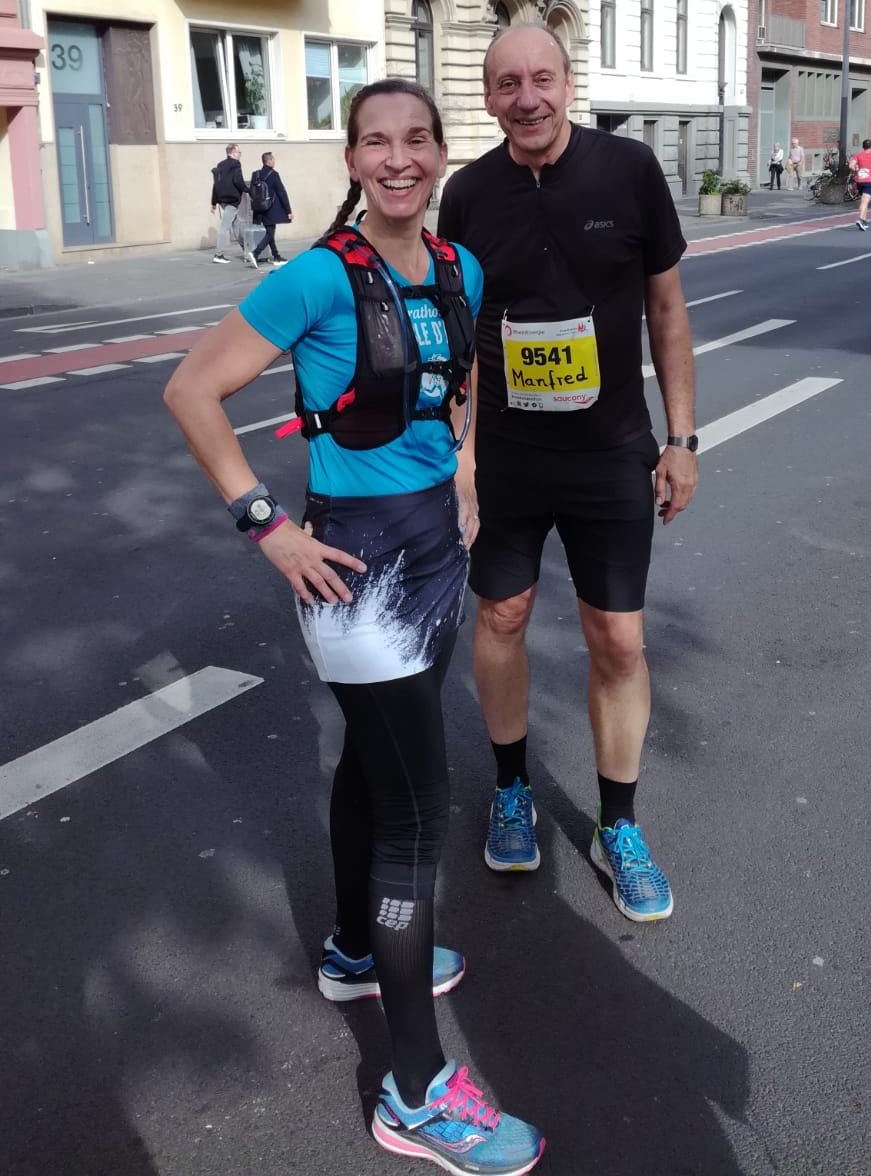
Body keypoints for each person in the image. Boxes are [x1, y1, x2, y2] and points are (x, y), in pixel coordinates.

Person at [164, 79, 545, 1176]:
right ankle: (415, 1093)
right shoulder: (319, 275)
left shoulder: (459, 266)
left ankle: (350, 952)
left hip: (434, 551)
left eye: (416, 140)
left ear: (439, 153)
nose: (398, 159)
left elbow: (460, 385)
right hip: (354, 572)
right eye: (376, 142)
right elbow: (191, 391)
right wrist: (267, 526)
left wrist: (463, 468)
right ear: (351, 159)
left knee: (378, 775)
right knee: (415, 818)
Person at [438, 23, 697, 925]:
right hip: (509, 455)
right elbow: (459, 334)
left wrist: (682, 438)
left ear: (568, 81)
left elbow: (667, 309)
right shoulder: (468, 193)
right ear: (489, 96)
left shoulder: (629, 170)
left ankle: (617, 825)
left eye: (541, 79)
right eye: (508, 83)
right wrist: (462, 454)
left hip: (610, 450)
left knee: (617, 641)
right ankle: (512, 790)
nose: (527, 98)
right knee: (501, 616)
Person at [247, 151, 293, 270]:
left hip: (259, 209)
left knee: (269, 232)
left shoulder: (256, 174)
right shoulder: (274, 174)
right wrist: (288, 210)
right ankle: (255, 253)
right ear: (269, 161)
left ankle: (276, 256)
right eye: (273, 159)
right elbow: (281, 192)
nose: (274, 161)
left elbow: (251, 192)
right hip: (270, 208)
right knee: (270, 233)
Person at [210, 143, 249, 263]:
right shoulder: (236, 164)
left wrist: (214, 202)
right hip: (232, 200)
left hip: (222, 200)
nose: (240, 154)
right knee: (225, 227)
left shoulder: (220, 165)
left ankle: (248, 251)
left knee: (236, 226)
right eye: (239, 152)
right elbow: (238, 181)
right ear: (232, 153)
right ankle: (219, 255)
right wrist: (248, 190)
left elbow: (216, 184)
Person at [850, 138, 871, 230]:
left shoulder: (858, 155)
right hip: (870, 181)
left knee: (864, 201)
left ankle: (864, 221)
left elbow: (851, 166)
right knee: (865, 201)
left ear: (863, 146)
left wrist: (855, 172)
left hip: (860, 181)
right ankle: (860, 219)